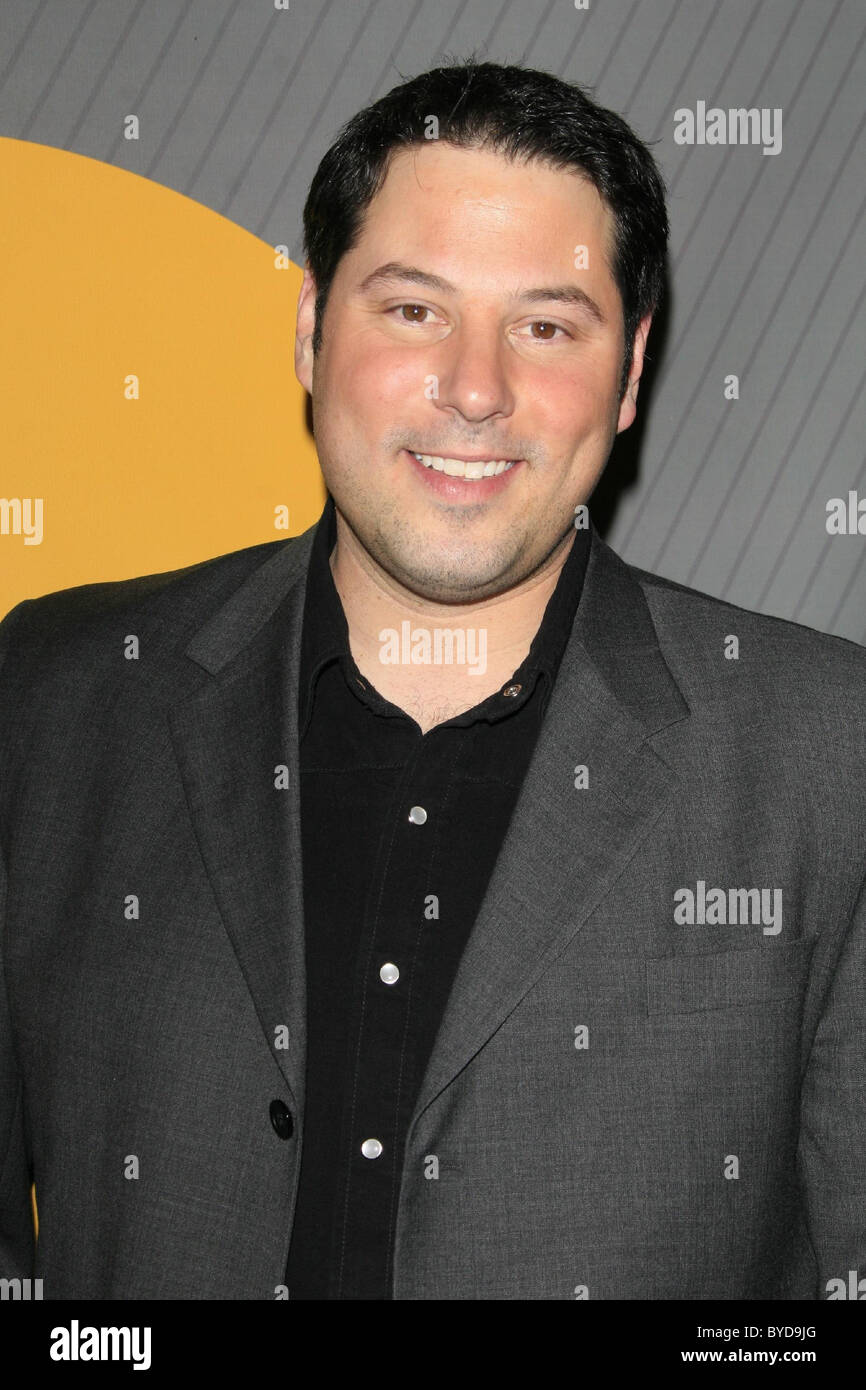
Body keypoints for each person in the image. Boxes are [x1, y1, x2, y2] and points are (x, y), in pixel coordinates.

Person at [1, 58, 864, 1302]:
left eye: (546, 326)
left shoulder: (822, 754)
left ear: (628, 379)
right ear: (310, 332)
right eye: (412, 310)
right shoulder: (59, 698)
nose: (474, 388)